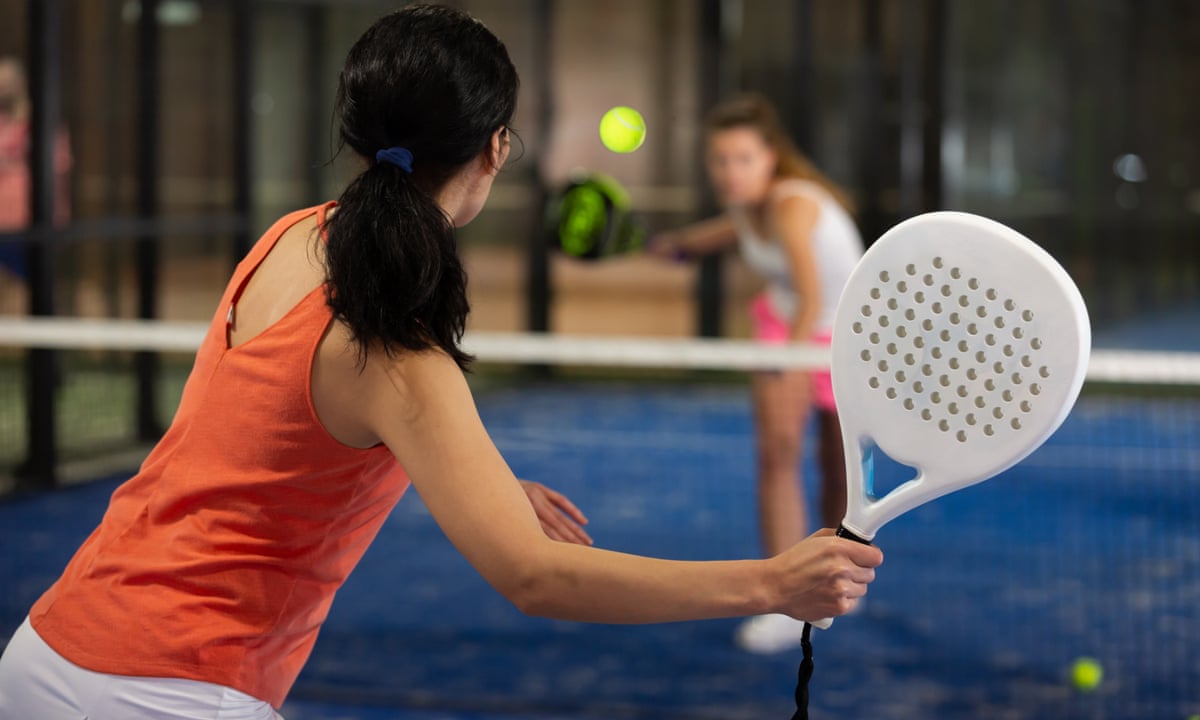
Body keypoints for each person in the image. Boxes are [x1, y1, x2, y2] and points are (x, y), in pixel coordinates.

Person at [0, 8, 881, 719]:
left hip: (50, 647)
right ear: (494, 147)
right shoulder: (396, 346)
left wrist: (485, 481)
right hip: (168, 689)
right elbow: (535, 578)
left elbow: (295, 433)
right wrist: (770, 583)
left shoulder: (291, 237)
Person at [651, 94, 866, 654]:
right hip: (785, 323)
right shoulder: (746, 207)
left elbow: (814, 294)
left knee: (837, 473)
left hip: (842, 338)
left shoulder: (793, 205)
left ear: (771, 158)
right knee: (777, 455)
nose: (730, 171)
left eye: (743, 159)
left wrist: (788, 362)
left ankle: (836, 580)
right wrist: (672, 247)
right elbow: (714, 237)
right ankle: (786, 601)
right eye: (720, 160)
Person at [0, 56, 71, 281]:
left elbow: (59, 163)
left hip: (30, 218)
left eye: (8, 82)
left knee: (33, 285)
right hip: (2, 218)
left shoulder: (41, 122)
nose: (3, 88)